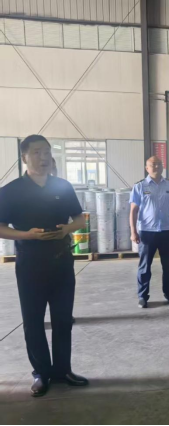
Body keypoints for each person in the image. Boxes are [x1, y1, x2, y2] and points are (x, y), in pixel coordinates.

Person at [0, 135, 89, 398]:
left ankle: (62, 370)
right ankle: (41, 373)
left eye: (47, 152)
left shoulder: (62, 186)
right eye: (37, 152)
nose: (44, 158)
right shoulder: (11, 191)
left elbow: (80, 219)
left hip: (62, 262)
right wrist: (27, 235)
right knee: (33, 321)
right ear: (24, 157)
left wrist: (67, 230)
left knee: (62, 319)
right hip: (30, 265)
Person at [130, 156, 169, 309]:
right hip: (147, 233)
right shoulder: (140, 186)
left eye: (159, 164)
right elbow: (133, 211)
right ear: (147, 168)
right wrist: (133, 231)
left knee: (168, 266)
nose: (156, 166)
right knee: (144, 266)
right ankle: (143, 296)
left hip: (167, 232)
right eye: (153, 164)